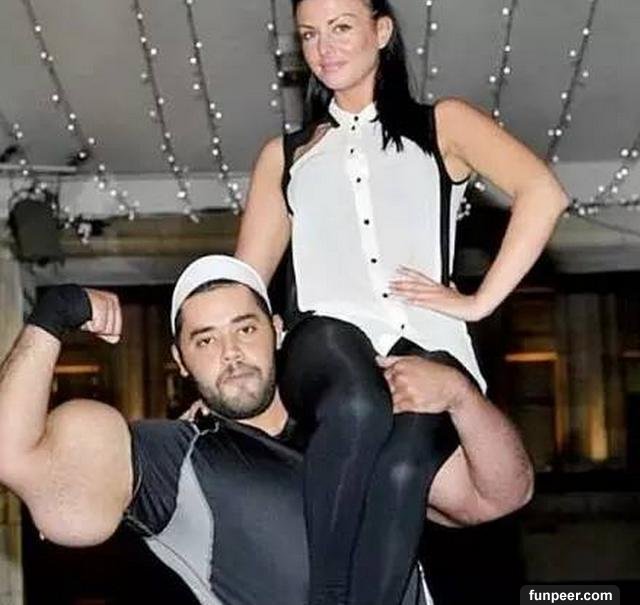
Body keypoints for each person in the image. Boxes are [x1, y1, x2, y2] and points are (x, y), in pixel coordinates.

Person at [235, 0, 568, 603]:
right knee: (359, 403)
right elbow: (244, 290)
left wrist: (478, 303)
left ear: (381, 31)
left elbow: (542, 192)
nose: (324, 48)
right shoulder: (284, 157)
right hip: (325, 343)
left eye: (341, 28)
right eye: (310, 34)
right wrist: (217, 384)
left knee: (403, 467)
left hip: (427, 343)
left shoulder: (443, 125)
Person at [0, 255, 533, 605]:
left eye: (245, 329)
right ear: (180, 360)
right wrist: (52, 316)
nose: (231, 353)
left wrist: (462, 398)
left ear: (277, 332)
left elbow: (501, 495)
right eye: (205, 340)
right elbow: (13, 454)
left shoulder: (361, 422)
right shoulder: (168, 456)